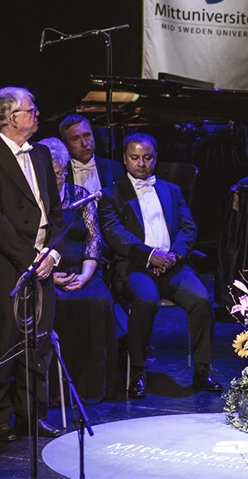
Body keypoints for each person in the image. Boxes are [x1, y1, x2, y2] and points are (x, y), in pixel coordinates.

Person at [0, 87, 65, 442]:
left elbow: (54, 210)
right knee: (4, 342)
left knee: (37, 344)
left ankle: (32, 415)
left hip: (43, 261)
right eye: (31, 109)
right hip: (8, 264)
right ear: (12, 119)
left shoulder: (40, 153)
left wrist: (53, 253)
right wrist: (31, 259)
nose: (36, 113)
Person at [98, 132, 222, 398]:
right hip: (136, 266)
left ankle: (202, 370)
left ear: (155, 159)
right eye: (134, 158)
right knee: (146, 300)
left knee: (201, 300)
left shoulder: (171, 189)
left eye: (147, 157)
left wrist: (173, 256)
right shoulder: (111, 195)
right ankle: (138, 370)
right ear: (124, 158)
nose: (141, 163)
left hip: (173, 264)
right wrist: (150, 255)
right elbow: (116, 235)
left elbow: (188, 227)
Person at [38, 137, 116, 401]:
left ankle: (91, 388)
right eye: (51, 175)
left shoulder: (80, 196)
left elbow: (93, 239)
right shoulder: (36, 202)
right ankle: (54, 391)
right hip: (48, 273)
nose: (57, 179)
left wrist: (84, 275)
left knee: (97, 301)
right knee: (53, 307)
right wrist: (51, 276)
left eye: (60, 173)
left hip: (83, 269)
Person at [59, 114, 124, 194]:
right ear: (65, 144)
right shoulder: (60, 173)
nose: (84, 144)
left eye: (87, 136)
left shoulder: (114, 168)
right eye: (76, 139)